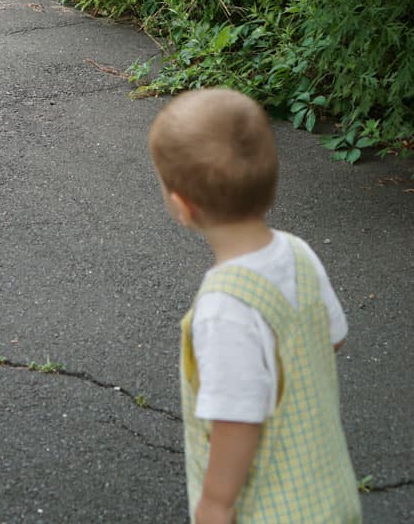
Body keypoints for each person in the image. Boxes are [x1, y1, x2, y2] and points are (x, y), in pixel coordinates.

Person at [148, 87, 362, 524]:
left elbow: (236, 422)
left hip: (272, 510)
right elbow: (331, 338)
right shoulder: (299, 254)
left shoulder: (225, 308)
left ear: (182, 207)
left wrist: (216, 504)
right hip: (331, 494)